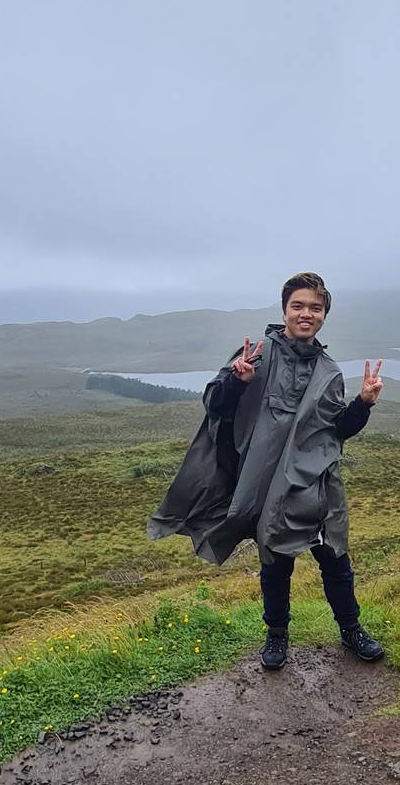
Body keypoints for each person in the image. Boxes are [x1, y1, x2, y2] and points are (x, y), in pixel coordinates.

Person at [147, 271, 385, 670]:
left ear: (324, 315)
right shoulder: (258, 354)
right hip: (266, 479)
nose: (306, 314)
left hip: (316, 481)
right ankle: (276, 635)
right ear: (284, 309)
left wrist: (363, 403)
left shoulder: (329, 371)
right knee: (275, 559)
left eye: (315, 308)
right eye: (298, 306)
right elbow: (216, 406)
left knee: (334, 558)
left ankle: (352, 629)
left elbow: (337, 430)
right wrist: (237, 382)